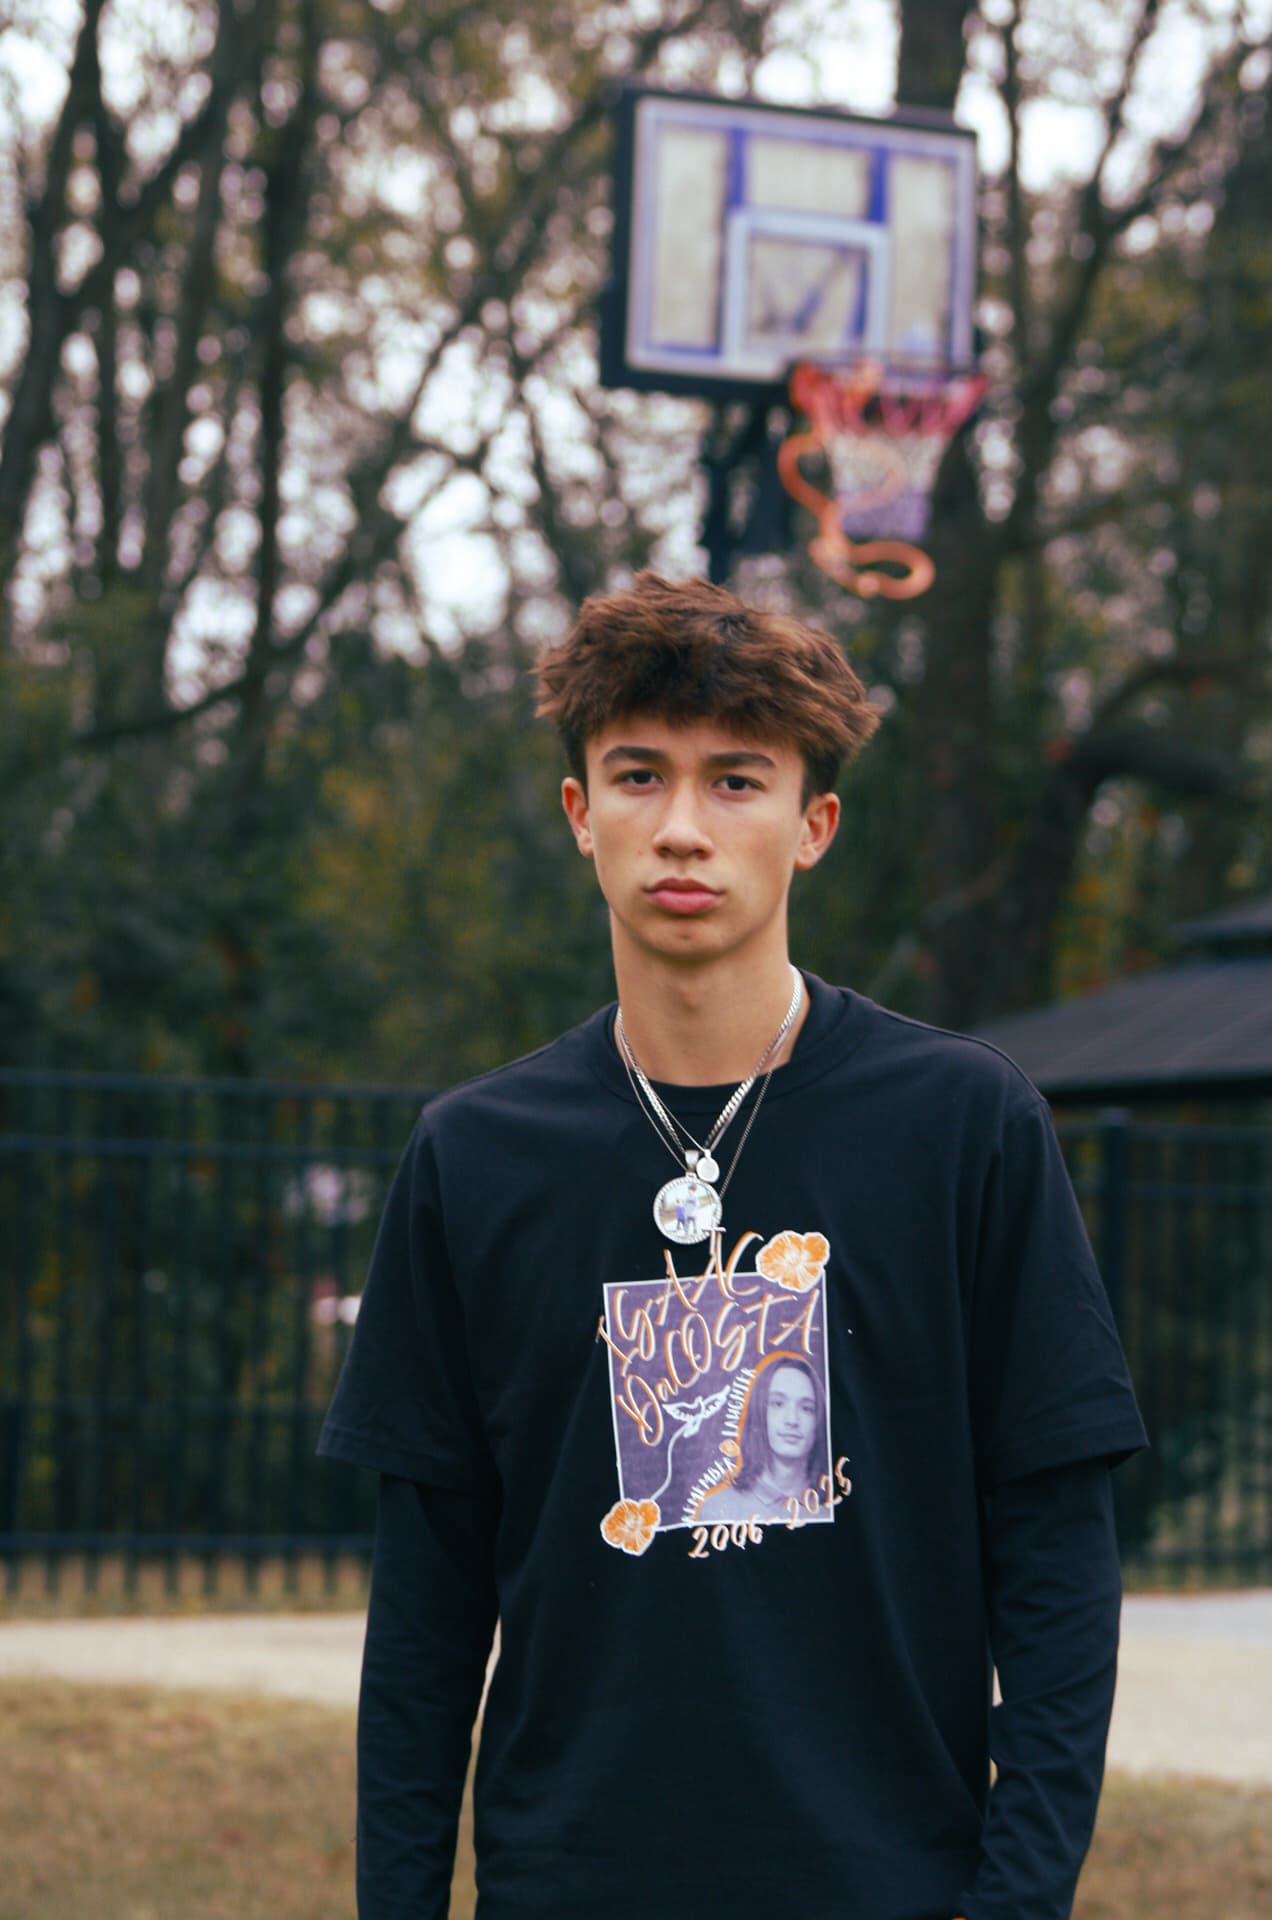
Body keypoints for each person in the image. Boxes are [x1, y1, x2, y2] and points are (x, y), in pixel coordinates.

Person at [318, 571, 1147, 1920]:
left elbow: (1057, 1557)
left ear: (813, 825)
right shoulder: (473, 1157)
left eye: (737, 782)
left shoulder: (963, 1126)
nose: (682, 830)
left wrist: (1014, 1903)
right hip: (569, 1889)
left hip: (889, 1884)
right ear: (579, 812)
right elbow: (424, 1607)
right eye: (639, 776)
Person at [696, 1354, 829, 1524]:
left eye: (806, 1408)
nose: (792, 1420)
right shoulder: (717, 1509)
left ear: (818, 1420)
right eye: (778, 1404)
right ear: (759, 1413)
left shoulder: (831, 1507)